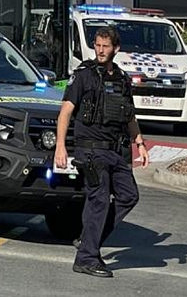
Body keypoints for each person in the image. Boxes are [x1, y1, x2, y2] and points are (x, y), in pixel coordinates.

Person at [54, 25, 149, 278]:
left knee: (129, 196)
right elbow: (65, 112)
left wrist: (139, 141)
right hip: (91, 151)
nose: (100, 50)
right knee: (99, 200)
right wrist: (60, 147)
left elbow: (129, 114)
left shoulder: (121, 78)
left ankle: (88, 240)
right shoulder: (83, 75)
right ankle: (86, 257)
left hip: (116, 151)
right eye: (97, 45)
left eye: (105, 46)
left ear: (116, 48)